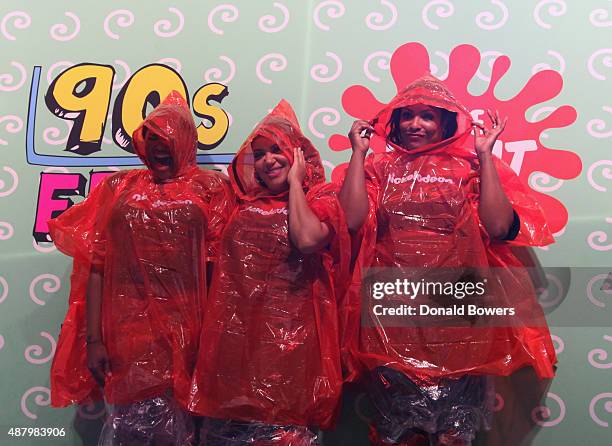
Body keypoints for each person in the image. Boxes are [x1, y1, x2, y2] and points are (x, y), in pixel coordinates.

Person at [338, 74, 557, 445]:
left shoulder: (467, 168)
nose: (415, 124)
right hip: (394, 316)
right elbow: (351, 221)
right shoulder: (378, 169)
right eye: (407, 115)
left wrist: (485, 156)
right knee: (399, 434)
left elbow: (500, 226)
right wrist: (358, 155)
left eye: (427, 116)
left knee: (454, 434)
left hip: (457, 316)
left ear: (445, 123)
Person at [48, 91, 232, 445]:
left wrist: (213, 344)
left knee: (181, 430)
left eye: (167, 137)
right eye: (151, 137)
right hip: (126, 332)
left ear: (185, 140)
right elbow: (97, 264)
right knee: (130, 430)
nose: (158, 146)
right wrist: (93, 340)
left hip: (188, 332)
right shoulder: (120, 186)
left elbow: (220, 274)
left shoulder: (212, 188)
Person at [188, 99, 349, 445]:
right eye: (258, 154)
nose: (267, 160)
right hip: (236, 347)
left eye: (277, 150)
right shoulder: (239, 205)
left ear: (298, 154)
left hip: (292, 349)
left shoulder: (321, 198)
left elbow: (307, 240)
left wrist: (295, 184)